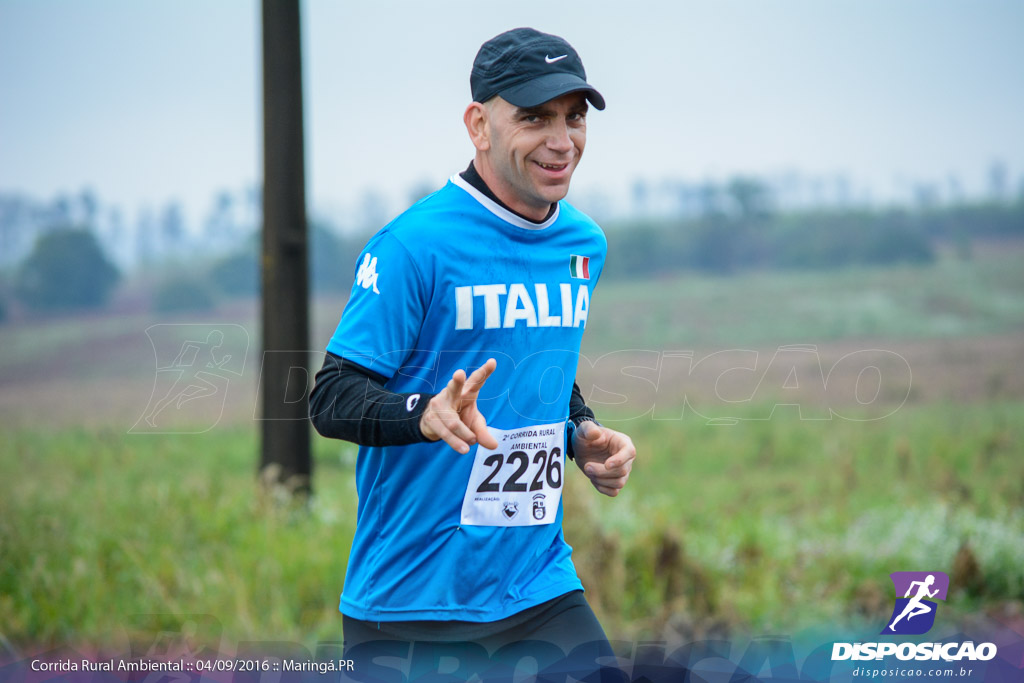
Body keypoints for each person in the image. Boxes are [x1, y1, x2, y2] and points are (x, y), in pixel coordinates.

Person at [309, 27, 635, 682]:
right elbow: (330, 396)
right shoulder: (412, 246)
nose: (561, 139)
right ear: (479, 125)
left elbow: (538, 366)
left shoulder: (583, 244)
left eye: (574, 117)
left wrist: (581, 431)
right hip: (410, 602)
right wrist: (422, 412)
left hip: (537, 585)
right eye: (535, 117)